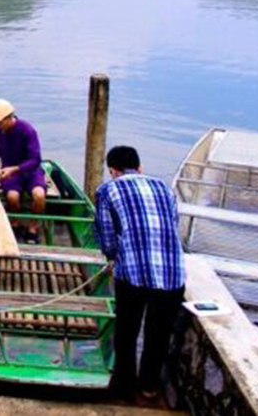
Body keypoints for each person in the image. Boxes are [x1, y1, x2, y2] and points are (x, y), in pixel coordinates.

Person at [94, 145, 185, 402]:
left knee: (127, 332)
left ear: (113, 171)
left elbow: (108, 238)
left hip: (132, 274)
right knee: (158, 334)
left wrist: (112, 257)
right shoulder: (165, 188)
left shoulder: (107, 190)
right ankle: (149, 387)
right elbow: (173, 225)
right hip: (172, 274)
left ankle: (123, 389)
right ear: (140, 167)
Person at [0, 98, 46, 243]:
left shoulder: (27, 130)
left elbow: (35, 159)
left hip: (31, 171)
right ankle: (15, 222)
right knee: (12, 197)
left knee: (39, 195)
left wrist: (15, 169)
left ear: (8, 118)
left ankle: (33, 226)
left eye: (0, 123)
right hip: (10, 173)